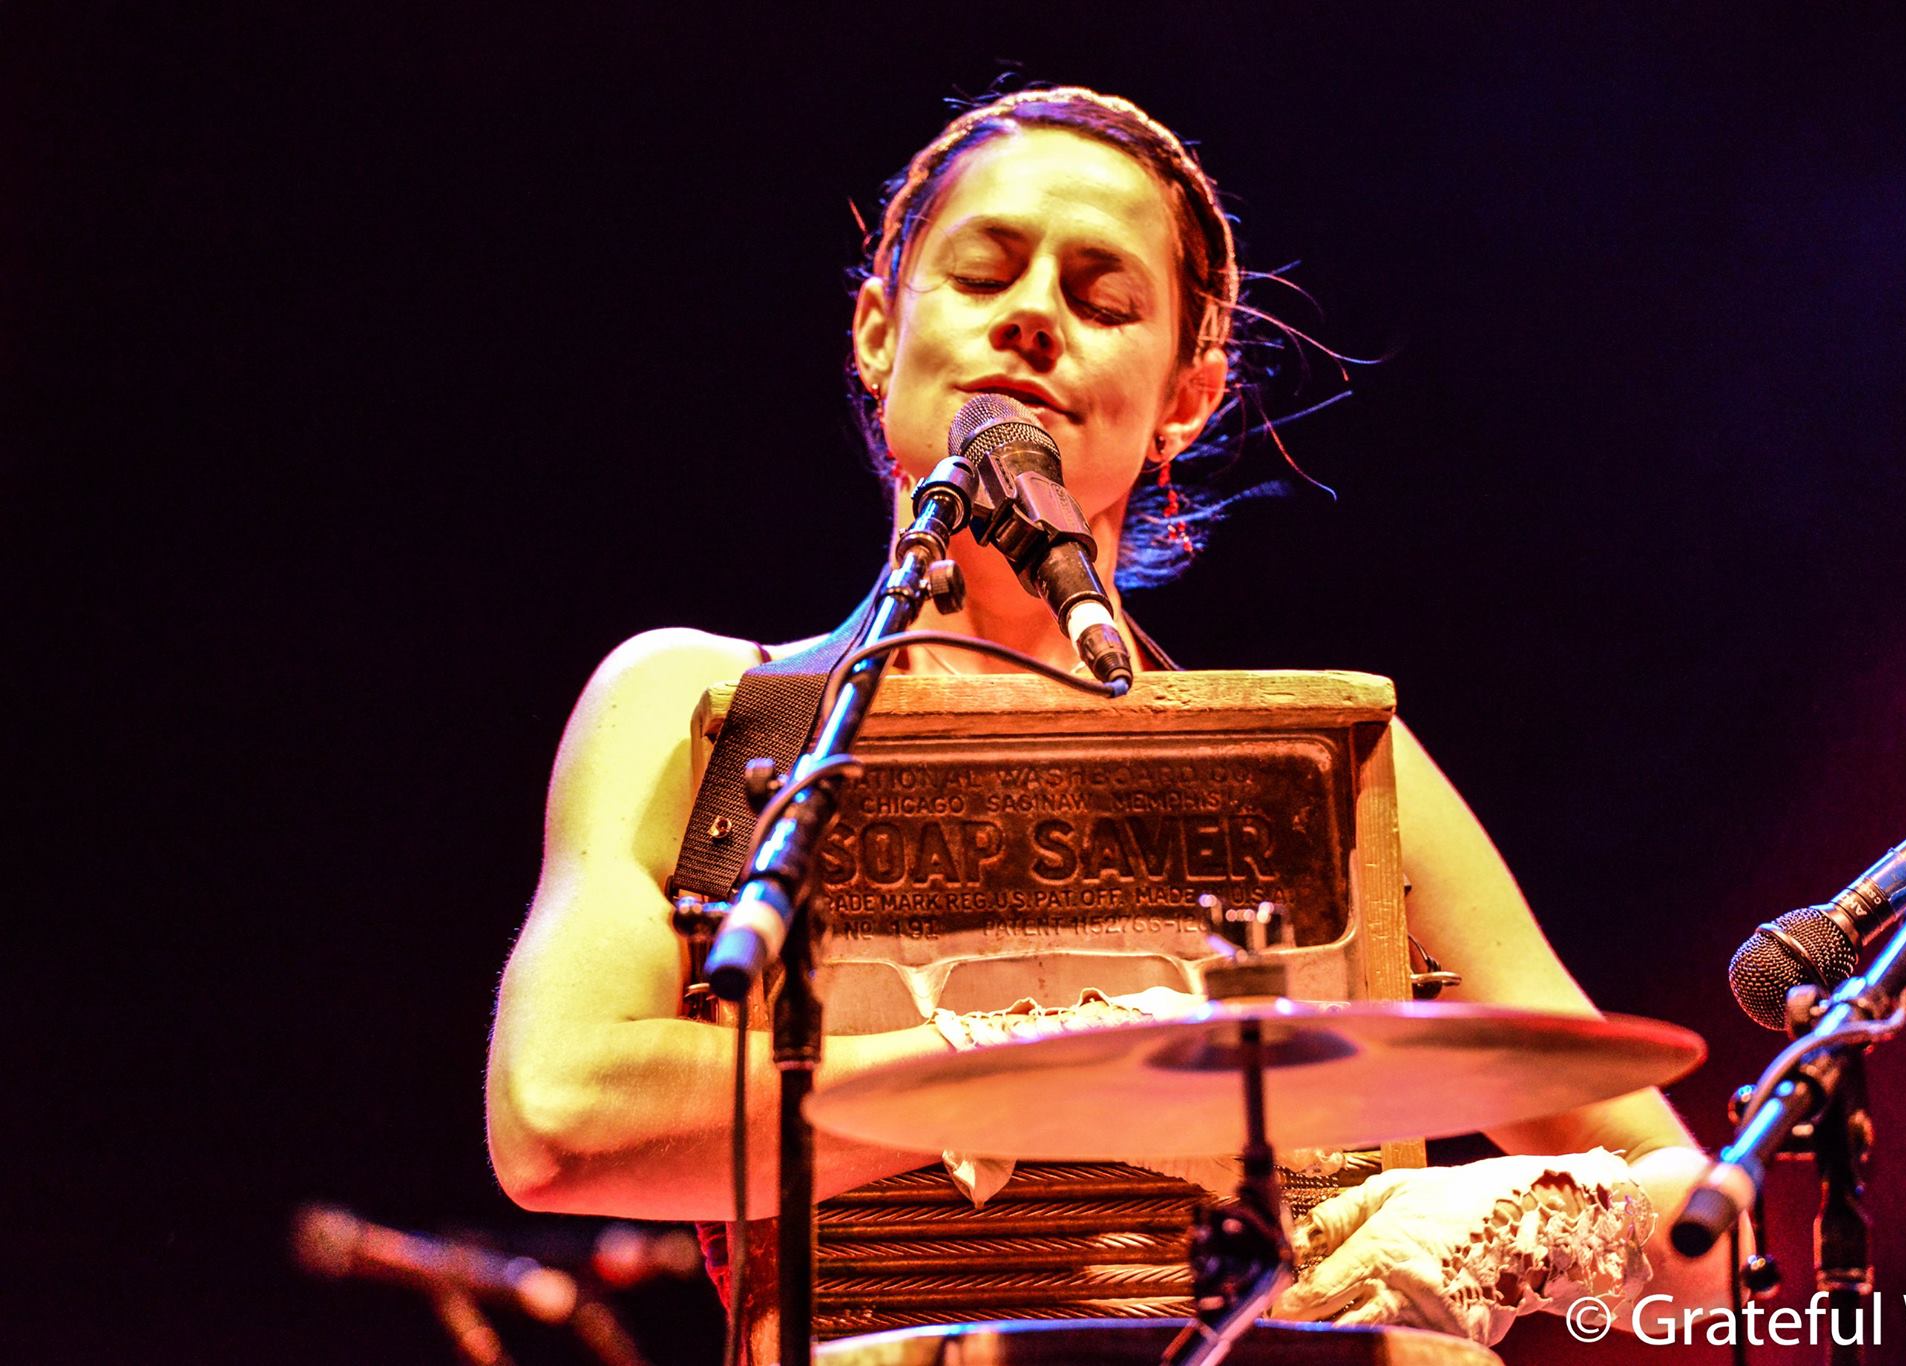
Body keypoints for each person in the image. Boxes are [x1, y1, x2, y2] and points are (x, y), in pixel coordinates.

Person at [486, 86, 1735, 1354]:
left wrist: (1528, 1224)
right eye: (982, 275)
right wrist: (1022, 1069)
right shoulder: (702, 710)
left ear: (1185, 396)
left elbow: (1696, 1227)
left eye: (1101, 300)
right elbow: (554, 1117)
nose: (1031, 315)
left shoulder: (1326, 774)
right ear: (876, 332)